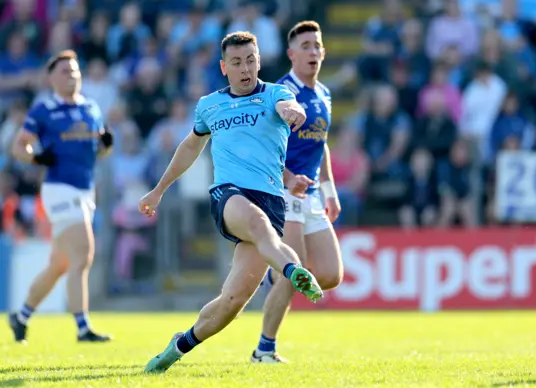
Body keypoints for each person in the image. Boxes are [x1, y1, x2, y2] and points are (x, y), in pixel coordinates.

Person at [140, 31, 324, 374]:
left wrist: (293, 113)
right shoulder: (209, 105)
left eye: (251, 61)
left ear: (259, 62)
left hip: (271, 201)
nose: (245, 69)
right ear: (225, 67)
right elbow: (190, 148)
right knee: (258, 226)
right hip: (229, 196)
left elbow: (289, 106)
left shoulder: (275, 95)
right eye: (237, 63)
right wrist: (159, 189)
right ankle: (293, 271)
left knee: (231, 303)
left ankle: (177, 347)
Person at [251, 21, 343, 363]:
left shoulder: (324, 94)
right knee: (295, 270)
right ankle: (264, 349)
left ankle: (274, 277)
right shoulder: (282, 93)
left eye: (317, 46)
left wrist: (330, 190)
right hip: (282, 193)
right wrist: (288, 177)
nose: (313, 52)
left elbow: (322, 145)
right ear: (291, 54)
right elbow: (264, 147)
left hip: (313, 195)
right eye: (305, 46)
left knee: (331, 274)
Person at [9, 50, 114, 343]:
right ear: (52, 78)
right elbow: (20, 147)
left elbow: (99, 151)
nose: (72, 75)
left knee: (61, 264)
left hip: (86, 190)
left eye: (75, 70)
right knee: (83, 253)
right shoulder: (44, 110)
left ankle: (21, 316)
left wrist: (106, 145)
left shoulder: (91, 108)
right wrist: (37, 159)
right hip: (59, 190)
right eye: (65, 71)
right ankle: (83, 327)